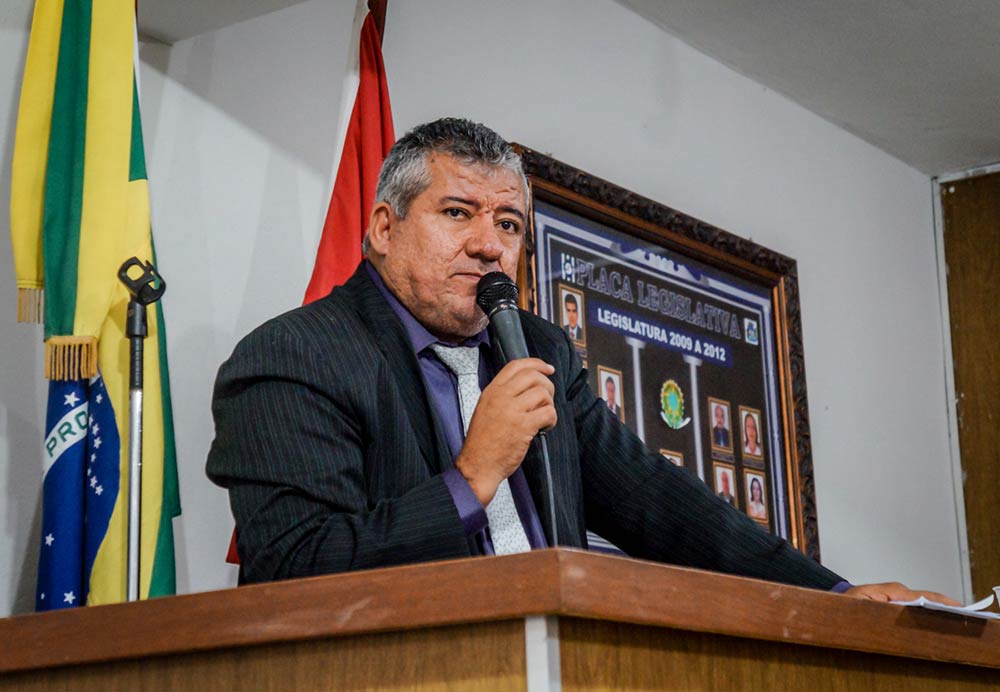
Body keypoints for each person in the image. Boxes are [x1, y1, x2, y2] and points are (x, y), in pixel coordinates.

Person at [207, 117, 956, 605]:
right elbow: (297, 570)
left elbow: (656, 502)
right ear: (382, 227)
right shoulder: (291, 356)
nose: (489, 244)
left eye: (508, 223)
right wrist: (471, 479)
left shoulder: (537, 347)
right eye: (457, 213)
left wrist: (830, 593)